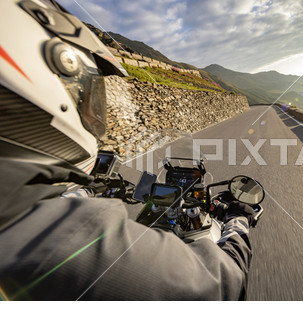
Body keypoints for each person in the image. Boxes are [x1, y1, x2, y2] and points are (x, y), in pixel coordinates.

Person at [0, 0, 255, 300]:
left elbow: (53, 197)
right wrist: (239, 222)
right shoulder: (59, 234)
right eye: (85, 93)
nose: (92, 109)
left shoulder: (20, 206)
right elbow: (222, 285)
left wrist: (83, 190)